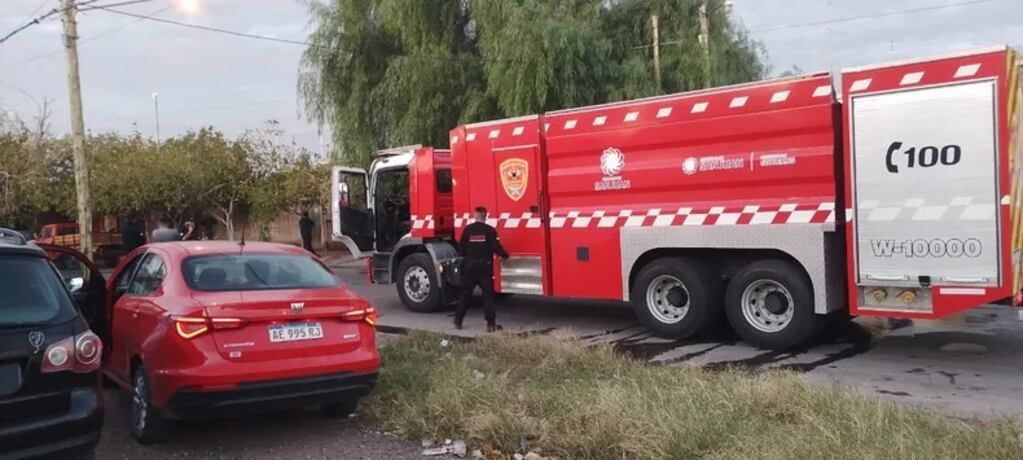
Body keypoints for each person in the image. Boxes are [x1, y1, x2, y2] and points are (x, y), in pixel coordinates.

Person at [454, 206, 509, 332]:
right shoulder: (490, 230)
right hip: (485, 266)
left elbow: (461, 248)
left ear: (475, 216)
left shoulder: (467, 230)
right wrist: (505, 256)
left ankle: (458, 321)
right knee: (488, 296)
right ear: (485, 216)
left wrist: (467, 257)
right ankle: (490, 324)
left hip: (470, 267)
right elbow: (496, 247)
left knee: (465, 294)